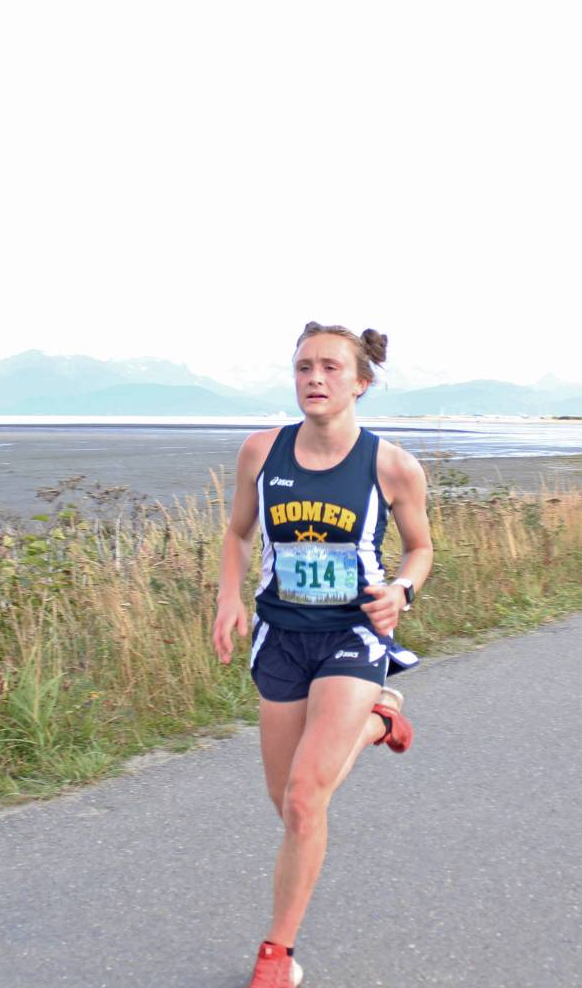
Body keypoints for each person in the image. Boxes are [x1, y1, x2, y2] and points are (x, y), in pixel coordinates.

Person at [213, 321, 433, 987]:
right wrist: (229, 598)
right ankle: (380, 720)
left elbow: (420, 549)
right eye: (304, 366)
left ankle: (276, 955)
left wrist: (400, 591)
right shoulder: (261, 451)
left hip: (352, 634)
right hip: (281, 637)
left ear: (360, 383)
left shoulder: (392, 465)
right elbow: (238, 534)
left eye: (331, 367)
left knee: (307, 800)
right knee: (288, 805)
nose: (314, 377)